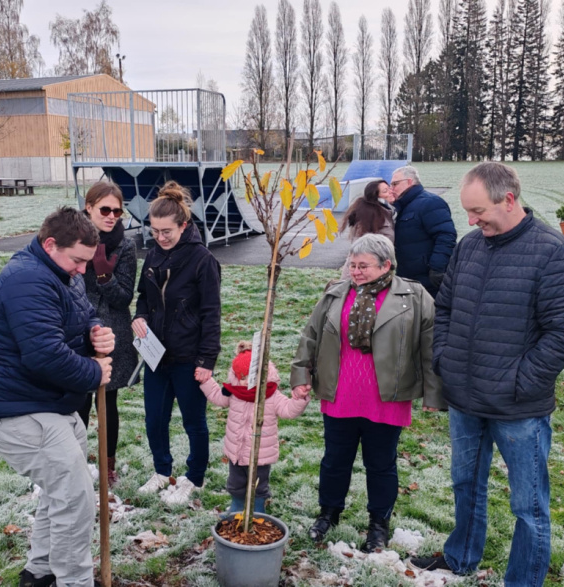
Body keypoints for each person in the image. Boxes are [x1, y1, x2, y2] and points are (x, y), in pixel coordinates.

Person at [409, 162, 564, 586]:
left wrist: (520, 382)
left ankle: (522, 581)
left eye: (477, 211)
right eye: (467, 212)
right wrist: (445, 360)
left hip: (518, 408)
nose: (471, 221)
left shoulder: (552, 251)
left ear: (508, 200)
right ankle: (461, 557)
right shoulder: (469, 246)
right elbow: (445, 308)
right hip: (465, 398)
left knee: (529, 506)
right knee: (465, 484)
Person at [0, 207, 115, 587]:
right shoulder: (27, 280)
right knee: (74, 497)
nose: (82, 270)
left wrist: (96, 331)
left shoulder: (62, 273)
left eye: (86, 262)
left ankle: (40, 572)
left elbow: (83, 314)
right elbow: (45, 355)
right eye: (78, 260)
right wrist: (94, 372)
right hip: (17, 412)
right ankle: (74, 582)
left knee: (61, 493)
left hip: (48, 404)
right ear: (50, 244)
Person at [291, 233, 444, 553]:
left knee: (381, 464)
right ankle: (328, 514)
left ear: (386, 265)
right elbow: (311, 336)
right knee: (334, 460)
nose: (355, 271)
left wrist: (434, 394)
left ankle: (378, 525)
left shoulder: (414, 296)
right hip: (340, 393)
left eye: (363, 266)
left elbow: (431, 346)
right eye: (352, 265)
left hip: (386, 397)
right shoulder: (336, 293)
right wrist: (301, 376)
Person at [132, 181, 222, 505]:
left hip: (189, 358)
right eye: (154, 231)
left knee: (193, 422)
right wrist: (139, 317)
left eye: (167, 231)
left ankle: (194, 478)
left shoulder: (203, 260)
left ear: (183, 225)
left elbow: (211, 314)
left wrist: (206, 361)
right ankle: (161, 471)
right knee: (154, 419)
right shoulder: (153, 255)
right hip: (156, 356)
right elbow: (144, 297)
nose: (160, 237)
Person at [200, 341, 310, 515]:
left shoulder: (271, 395)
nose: (245, 383)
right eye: (241, 378)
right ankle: (237, 506)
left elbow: (288, 410)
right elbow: (217, 397)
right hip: (237, 452)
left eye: (248, 377)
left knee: (259, 485)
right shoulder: (235, 393)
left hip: (260, 455)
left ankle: (258, 510)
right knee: (235, 483)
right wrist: (206, 381)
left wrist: (299, 399)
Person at [76, 181, 139, 484]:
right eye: (105, 210)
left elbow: (124, 297)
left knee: (108, 401)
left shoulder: (125, 246)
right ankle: (75, 462)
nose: (112, 216)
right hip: (77, 329)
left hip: (112, 331)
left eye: (117, 211)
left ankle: (107, 464)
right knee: (78, 399)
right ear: (89, 208)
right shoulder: (72, 238)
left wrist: (104, 275)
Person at [389, 165, 457, 297]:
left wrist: (437, 269)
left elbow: (446, 236)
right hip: (408, 277)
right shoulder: (401, 207)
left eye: (395, 184)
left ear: (409, 182)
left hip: (428, 279)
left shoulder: (430, 202)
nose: (392, 189)